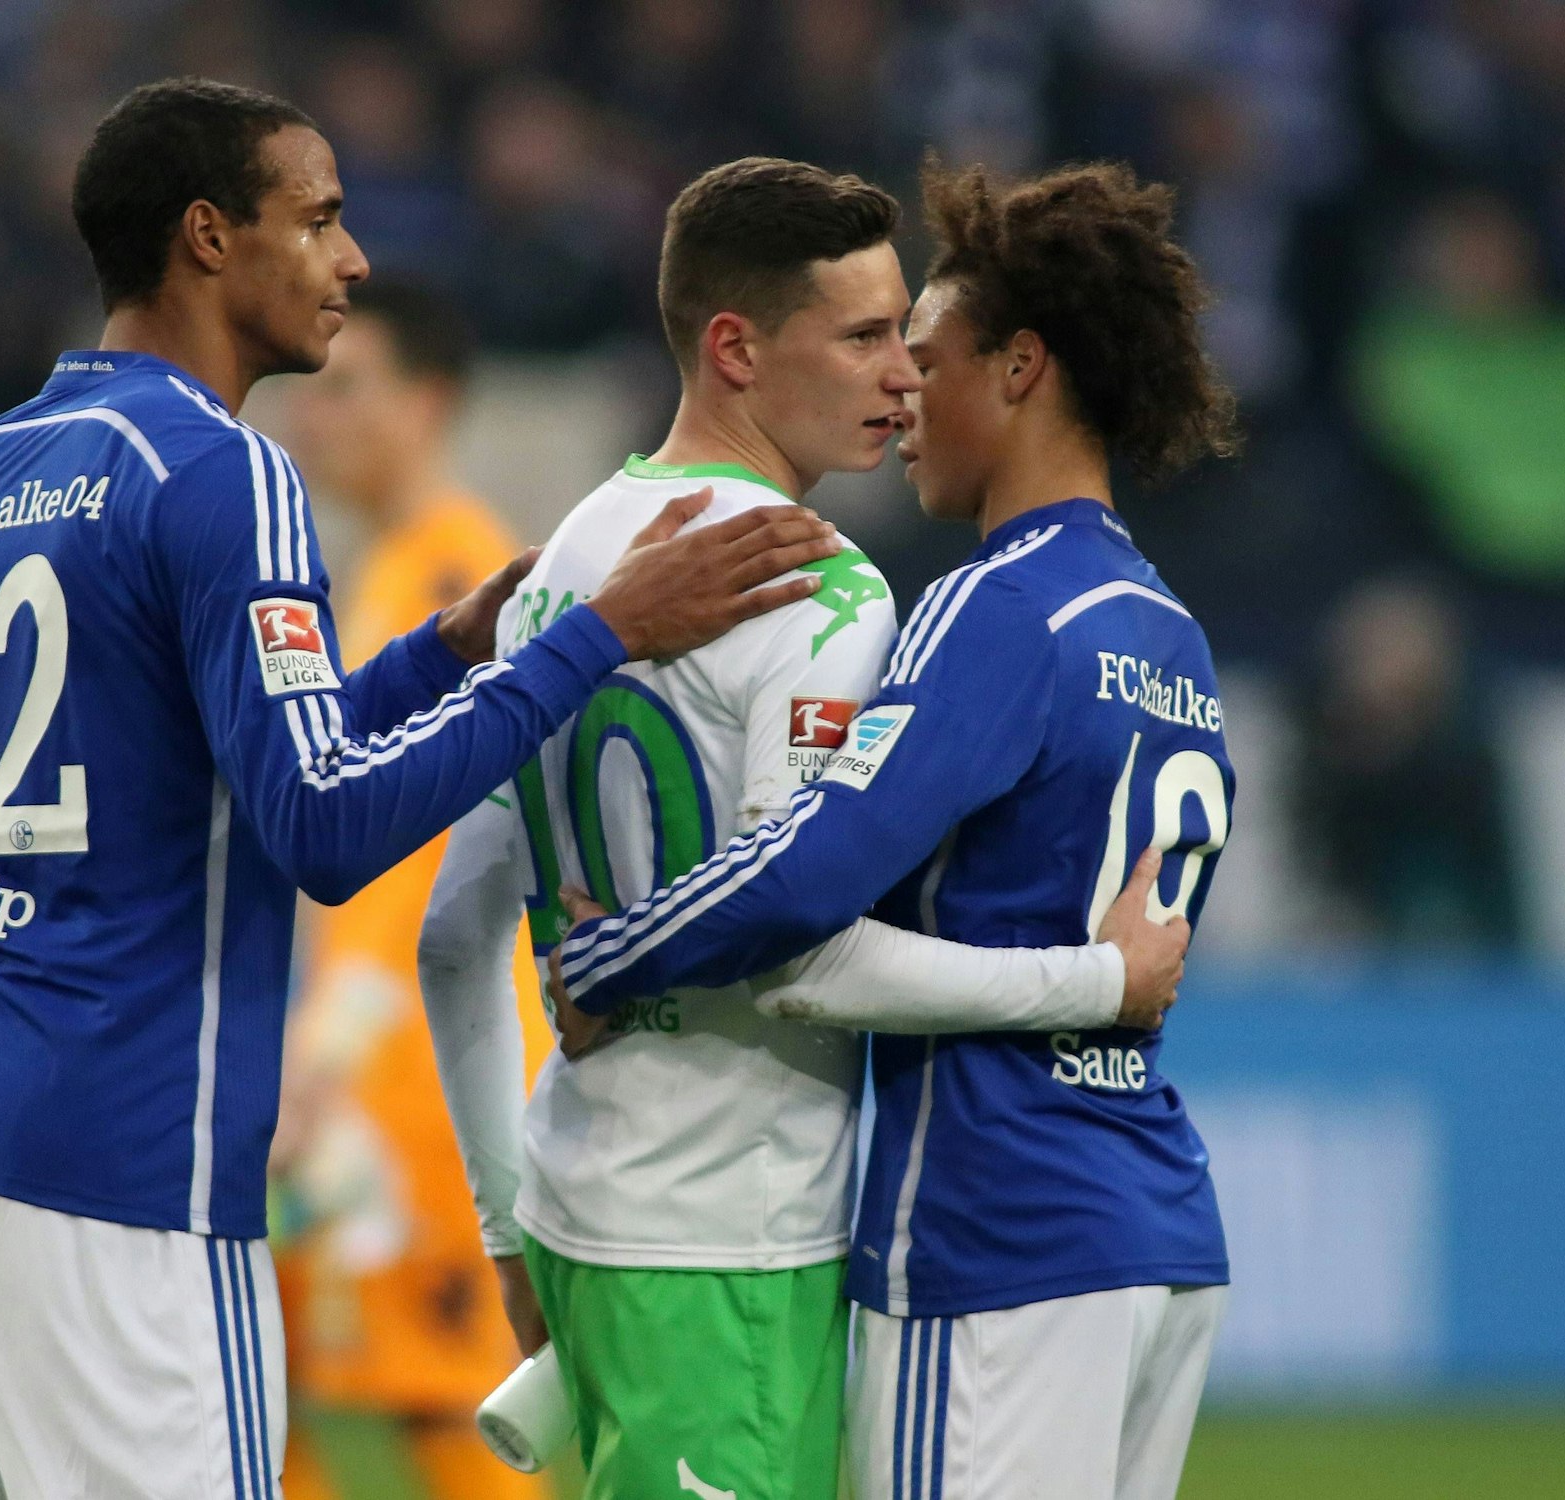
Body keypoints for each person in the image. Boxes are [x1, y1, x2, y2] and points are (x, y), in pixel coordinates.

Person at [0, 78, 837, 1500]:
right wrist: (607, 634)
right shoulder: (223, 471)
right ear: (207, 239)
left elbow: (201, 772)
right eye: (318, 217)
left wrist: (441, 651)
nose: (353, 259)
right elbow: (323, 827)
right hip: (106, 1141)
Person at [416, 156, 1193, 1500]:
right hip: (733, 1234)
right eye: (863, 337)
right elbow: (804, 952)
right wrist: (1097, 983)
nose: (903, 374)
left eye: (905, 334)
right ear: (734, 348)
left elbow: (452, 938)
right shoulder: (816, 595)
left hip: (576, 1209)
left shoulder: (566, 569)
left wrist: (503, 1232)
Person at [272, 284, 555, 1500]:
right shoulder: (389, 575)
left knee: (443, 1400)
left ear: (429, 402)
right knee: (314, 1392)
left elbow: (430, 872)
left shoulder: (458, 576)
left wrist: (324, 1052)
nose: (314, 422)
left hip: (426, 1079)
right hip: (384, 1069)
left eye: (349, 389)